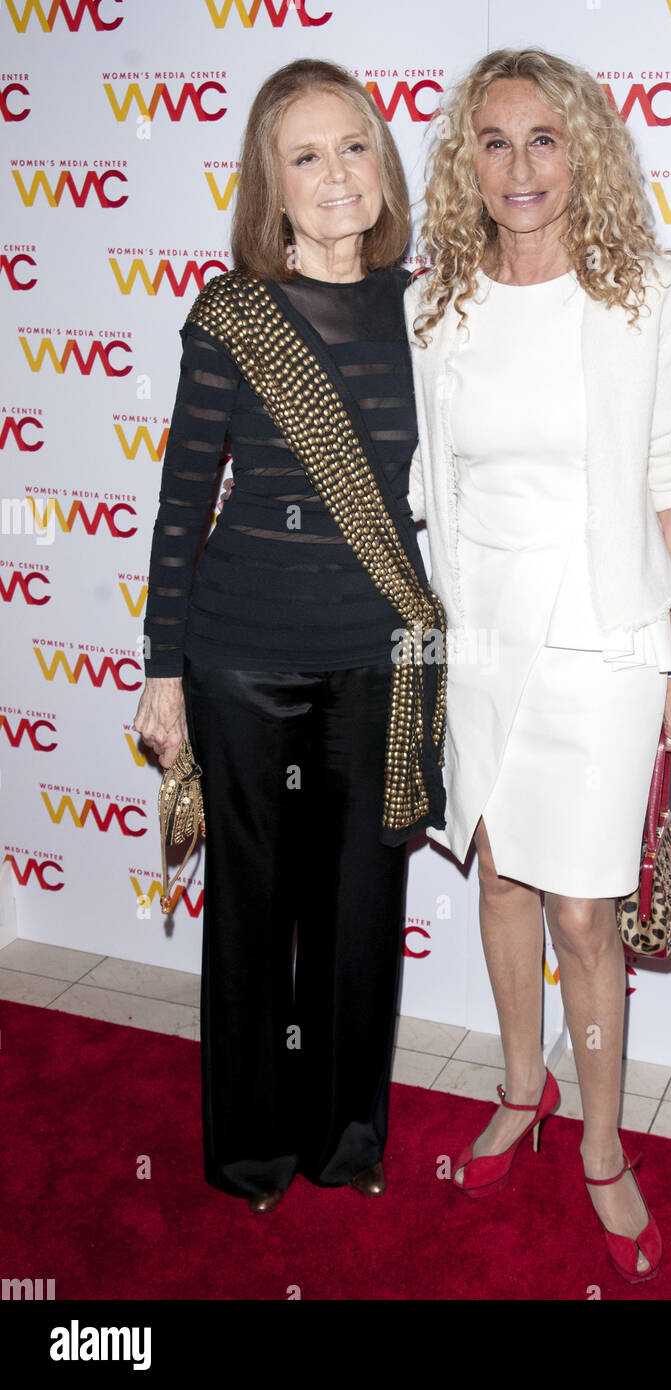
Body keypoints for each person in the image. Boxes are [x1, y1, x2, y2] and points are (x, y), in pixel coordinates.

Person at [404, 48, 671, 1282]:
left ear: (581, 146)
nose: (520, 166)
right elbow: (431, 484)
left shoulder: (646, 288)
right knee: (497, 879)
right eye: (493, 141)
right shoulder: (437, 304)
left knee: (585, 910)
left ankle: (597, 1141)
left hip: (603, 634)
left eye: (543, 138)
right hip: (479, 628)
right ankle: (520, 1092)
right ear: (463, 162)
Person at [132, 58, 446, 1214]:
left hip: (379, 656)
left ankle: (347, 1137)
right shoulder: (232, 315)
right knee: (256, 906)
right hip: (243, 654)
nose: (335, 173)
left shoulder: (431, 309)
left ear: (383, 162)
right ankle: (252, 1152)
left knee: (363, 908)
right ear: (270, 184)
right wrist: (163, 668)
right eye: (305, 154)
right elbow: (180, 501)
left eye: (353, 146)